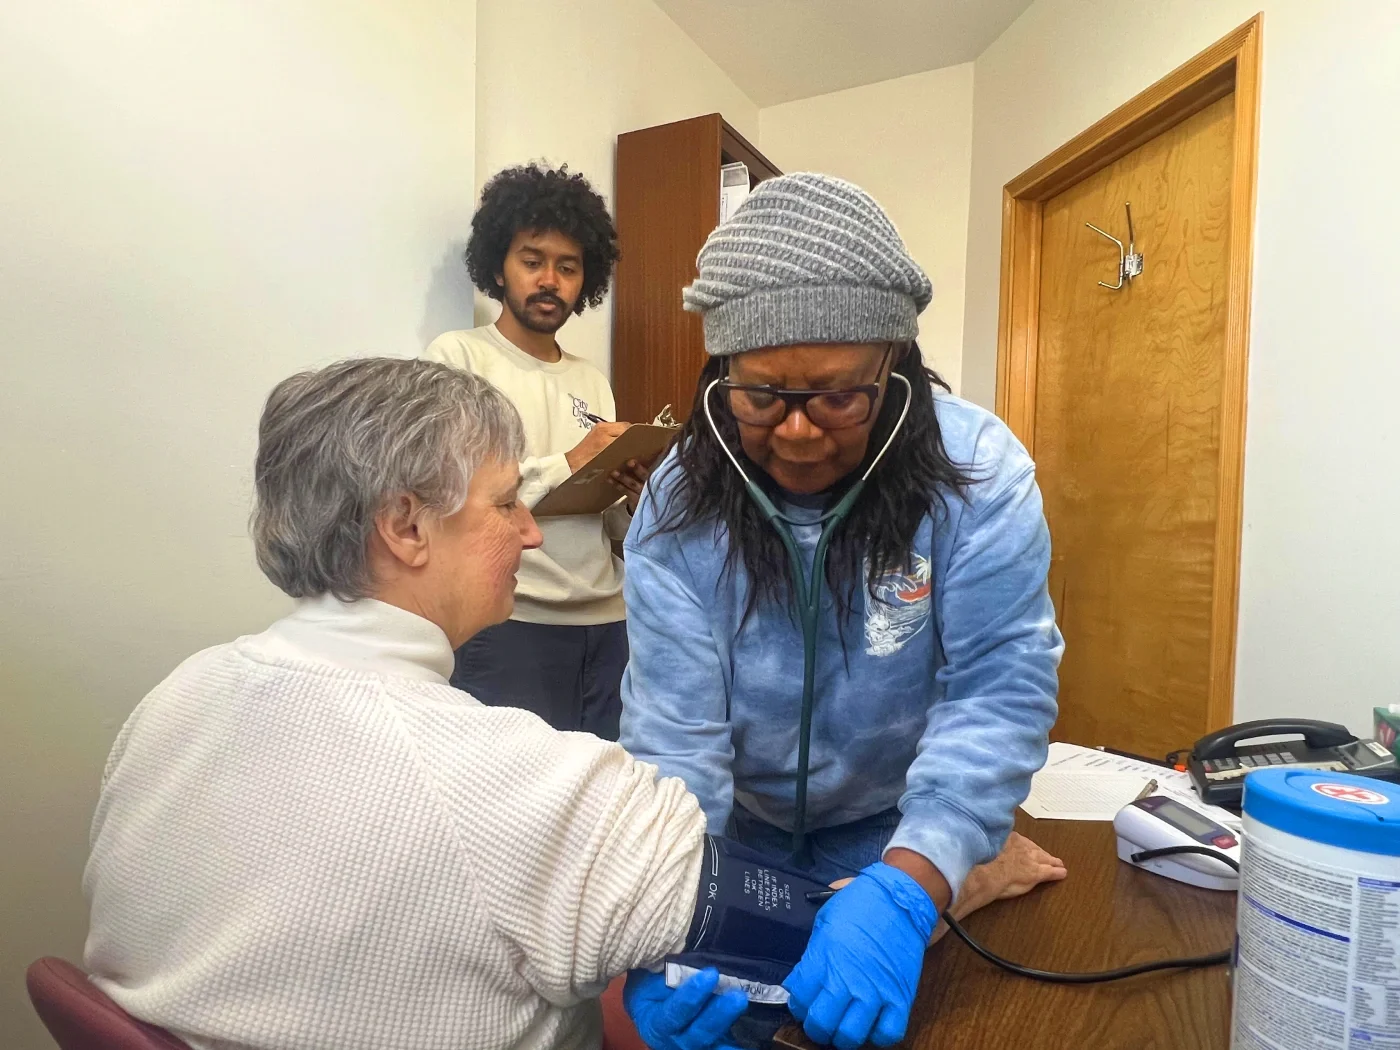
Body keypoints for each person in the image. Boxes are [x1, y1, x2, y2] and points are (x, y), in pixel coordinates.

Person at [83, 358, 746, 1050]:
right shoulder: (524, 783)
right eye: (505, 501)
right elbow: (787, 927)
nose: (532, 532)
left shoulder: (174, 698)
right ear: (405, 525)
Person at [620, 173, 1067, 1050]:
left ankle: (972, 869)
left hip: (897, 828)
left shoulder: (979, 477)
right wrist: (659, 917)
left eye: (836, 396)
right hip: (733, 842)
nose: (795, 432)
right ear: (721, 374)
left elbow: (997, 690)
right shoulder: (678, 507)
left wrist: (914, 882)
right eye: (760, 397)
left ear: (894, 369)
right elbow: (675, 740)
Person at [424, 164, 647, 740]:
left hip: (610, 619)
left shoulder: (592, 377)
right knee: (506, 806)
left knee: (600, 790)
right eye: (533, 261)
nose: (550, 279)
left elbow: (604, 516)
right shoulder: (459, 357)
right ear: (499, 264)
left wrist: (631, 492)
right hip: (511, 619)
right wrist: (572, 462)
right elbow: (451, 492)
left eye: (568, 267)